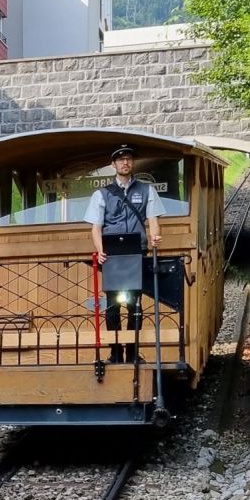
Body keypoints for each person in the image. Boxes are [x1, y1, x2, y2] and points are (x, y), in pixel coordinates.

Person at [86, 144, 162, 363]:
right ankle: (115, 353)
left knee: (135, 305)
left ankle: (132, 353)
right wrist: (100, 252)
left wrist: (155, 238)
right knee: (112, 306)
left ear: (133, 163)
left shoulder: (147, 190)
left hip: (136, 253)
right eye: (121, 160)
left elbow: (154, 220)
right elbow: (96, 227)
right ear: (114, 165)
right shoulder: (102, 194)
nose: (125, 163)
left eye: (128, 159)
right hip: (112, 256)